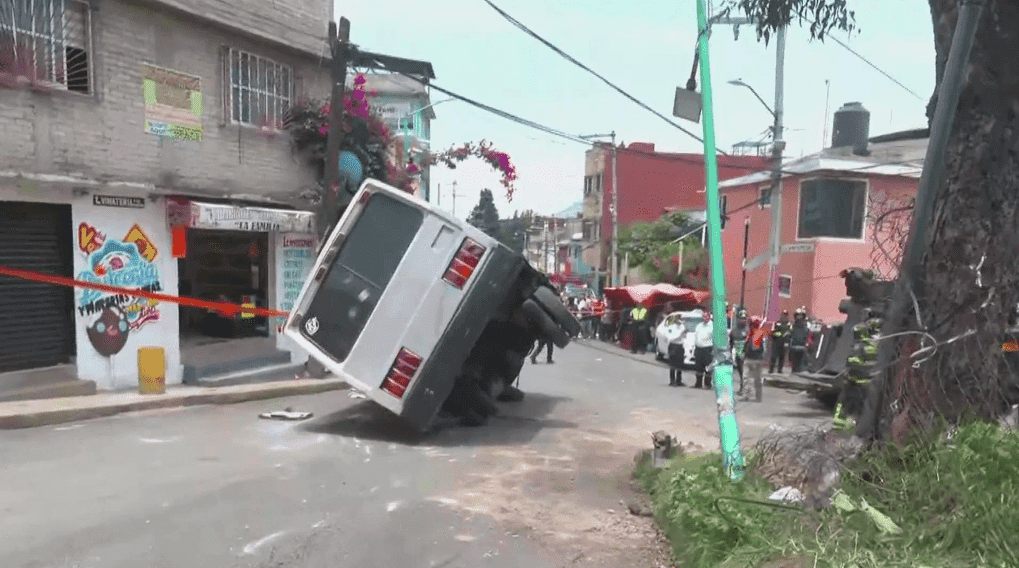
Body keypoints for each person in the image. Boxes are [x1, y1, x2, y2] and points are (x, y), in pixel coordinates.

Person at [742, 316, 767, 402]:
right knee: (745, 378)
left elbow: (757, 347)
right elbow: (746, 345)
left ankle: (758, 396)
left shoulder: (758, 334)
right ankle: (745, 395)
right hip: (748, 358)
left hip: (756, 359)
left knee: (757, 379)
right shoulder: (749, 334)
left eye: (751, 324)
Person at [729, 307, 749, 394]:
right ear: (737, 319)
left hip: (746, 355)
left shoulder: (748, 331)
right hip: (737, 354)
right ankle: (742, 387)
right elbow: (730, 344)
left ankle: (745, 389)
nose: (742, 321)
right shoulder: (734, 331)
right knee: (740, 372)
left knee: (745, 373)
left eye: (744, 319)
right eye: (741, 318)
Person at [692, 310, 714, 389]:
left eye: (706, 316)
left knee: (708, 367)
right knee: (698, 367)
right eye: (703, 316)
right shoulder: (699, 326)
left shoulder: (713, 326)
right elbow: (696, 337)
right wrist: (694, 348)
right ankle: (698, 383)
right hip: (699, 349)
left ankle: (707, 384)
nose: (704, 318)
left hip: (708, 349)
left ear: (709, 317)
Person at [769, 310, 791, 374]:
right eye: (783, 314)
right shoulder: (776, 323)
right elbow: (772, 332)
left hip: (784, 342)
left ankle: (780, 370)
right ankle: (771, 369)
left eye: (786, 315)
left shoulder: (789, 324)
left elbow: (791, 331)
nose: (784, 316)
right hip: (776, 341)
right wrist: (779, 334)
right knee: (773, 356)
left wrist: (787, 335)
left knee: (782, 356)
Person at [788, 307, 810, 373]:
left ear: (803, 316)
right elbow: (789, 334)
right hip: (793, 347)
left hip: (803, 347)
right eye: (798, 315)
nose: (799, 317)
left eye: (800, 315)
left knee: (802, 366)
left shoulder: (807, 325)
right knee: (794, 365)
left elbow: (810, 335)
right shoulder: (792, 325)